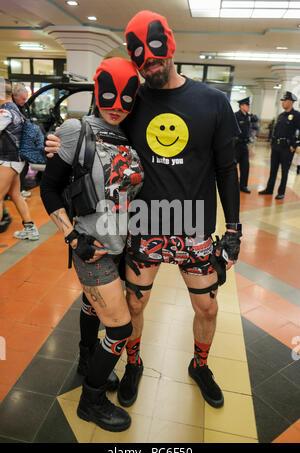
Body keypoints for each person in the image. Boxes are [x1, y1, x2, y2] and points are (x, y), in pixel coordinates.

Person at [46, 10, 242, 410]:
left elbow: (227, 169)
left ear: (169, 46)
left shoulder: (214, 101)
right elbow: (100, 128)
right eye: (141, 57)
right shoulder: (134, 100)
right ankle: (132, 363)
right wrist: (57, 144)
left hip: (193, 226)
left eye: (155, 53)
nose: (149, 63)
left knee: (207, 304)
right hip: (144, 224)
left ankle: (200, 365)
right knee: (135, 304)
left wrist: (235, 229)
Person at [41, 57, 144, 432]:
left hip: (123, 246)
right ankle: (91, 399)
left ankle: (87, 360)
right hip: (93, 247)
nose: (117, 106)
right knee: (119, 328)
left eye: (126, 99)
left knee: (90, 304)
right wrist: (72, 236)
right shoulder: (74, 129)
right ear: (98, 93)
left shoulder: (130, 134)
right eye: (109, 96)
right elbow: (49, 188)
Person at [0, 79, 39, 240]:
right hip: (15, 159)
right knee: (15, 194)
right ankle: (30, 229)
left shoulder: (5, 112)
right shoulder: (14, 109)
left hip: (8, 159)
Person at [259, 91, 300, 200]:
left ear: (291, 102)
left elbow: (298, 132)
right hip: (276, 147)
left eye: (285, 101)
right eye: (282, 101)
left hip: (287, 148)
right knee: (273, 170)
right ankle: (269, 189)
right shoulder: (281, 116)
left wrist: (294, 145)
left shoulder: (296, 116)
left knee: (284, 171)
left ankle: (281, 192)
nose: (283, 103)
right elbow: (276, 130)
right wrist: (272, 143)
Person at [12, 83, 31, 197]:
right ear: (15, 96)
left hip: (22, 143)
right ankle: (16, 191)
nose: (25, 101)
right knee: (17, 168)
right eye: (23, 98)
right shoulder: (10, 108)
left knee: (24, 166)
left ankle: (19, 189)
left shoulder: (23, 106)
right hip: (12, 144)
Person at [234, 96, 253, 194]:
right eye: (247, 105)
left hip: (244, 145)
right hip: (236, 145)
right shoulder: (236, 116)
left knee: (245, 166)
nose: (248, 107)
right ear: (241, 106)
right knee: (233, 167)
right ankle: (232, 185)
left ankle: (243, 186)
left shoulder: (247, 117)